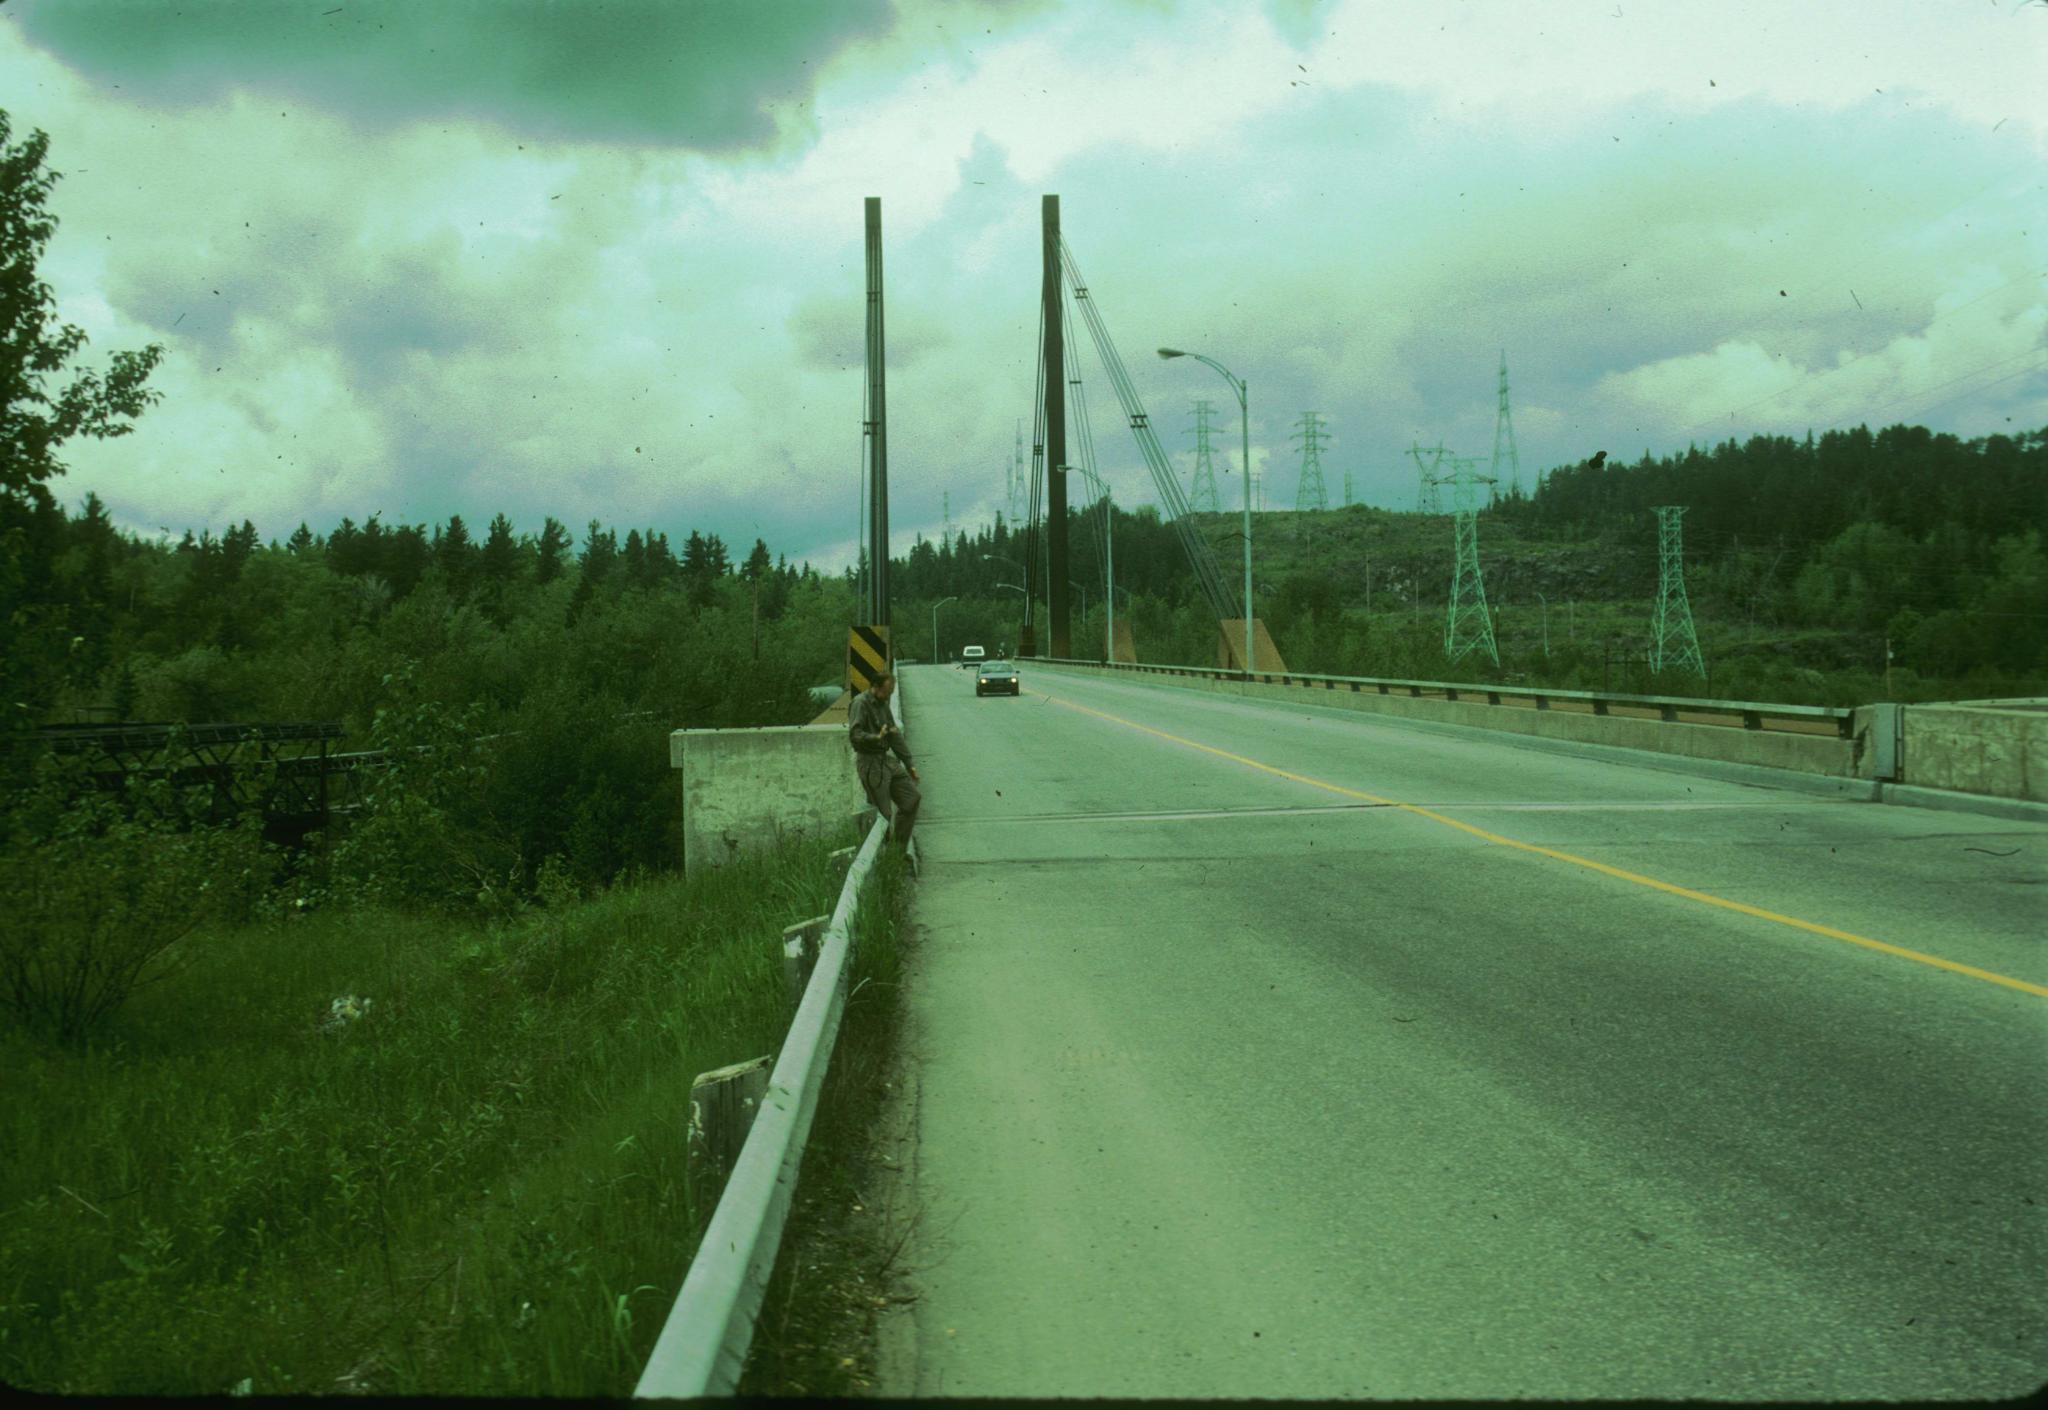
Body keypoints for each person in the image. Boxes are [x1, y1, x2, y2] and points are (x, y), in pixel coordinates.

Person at [849, 669, 919, 852]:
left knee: (911, 798)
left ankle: (898, 848)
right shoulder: (860, 704)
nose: (889, 695)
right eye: (887, 691)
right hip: (870, 762)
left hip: (886, 760)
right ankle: (886, 857)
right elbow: (855, 735)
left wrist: (909, 763)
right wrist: (876, 737)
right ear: (875, 687)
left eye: (891, 692)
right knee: (884, 814)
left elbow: (895, 736)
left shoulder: (883, 704)